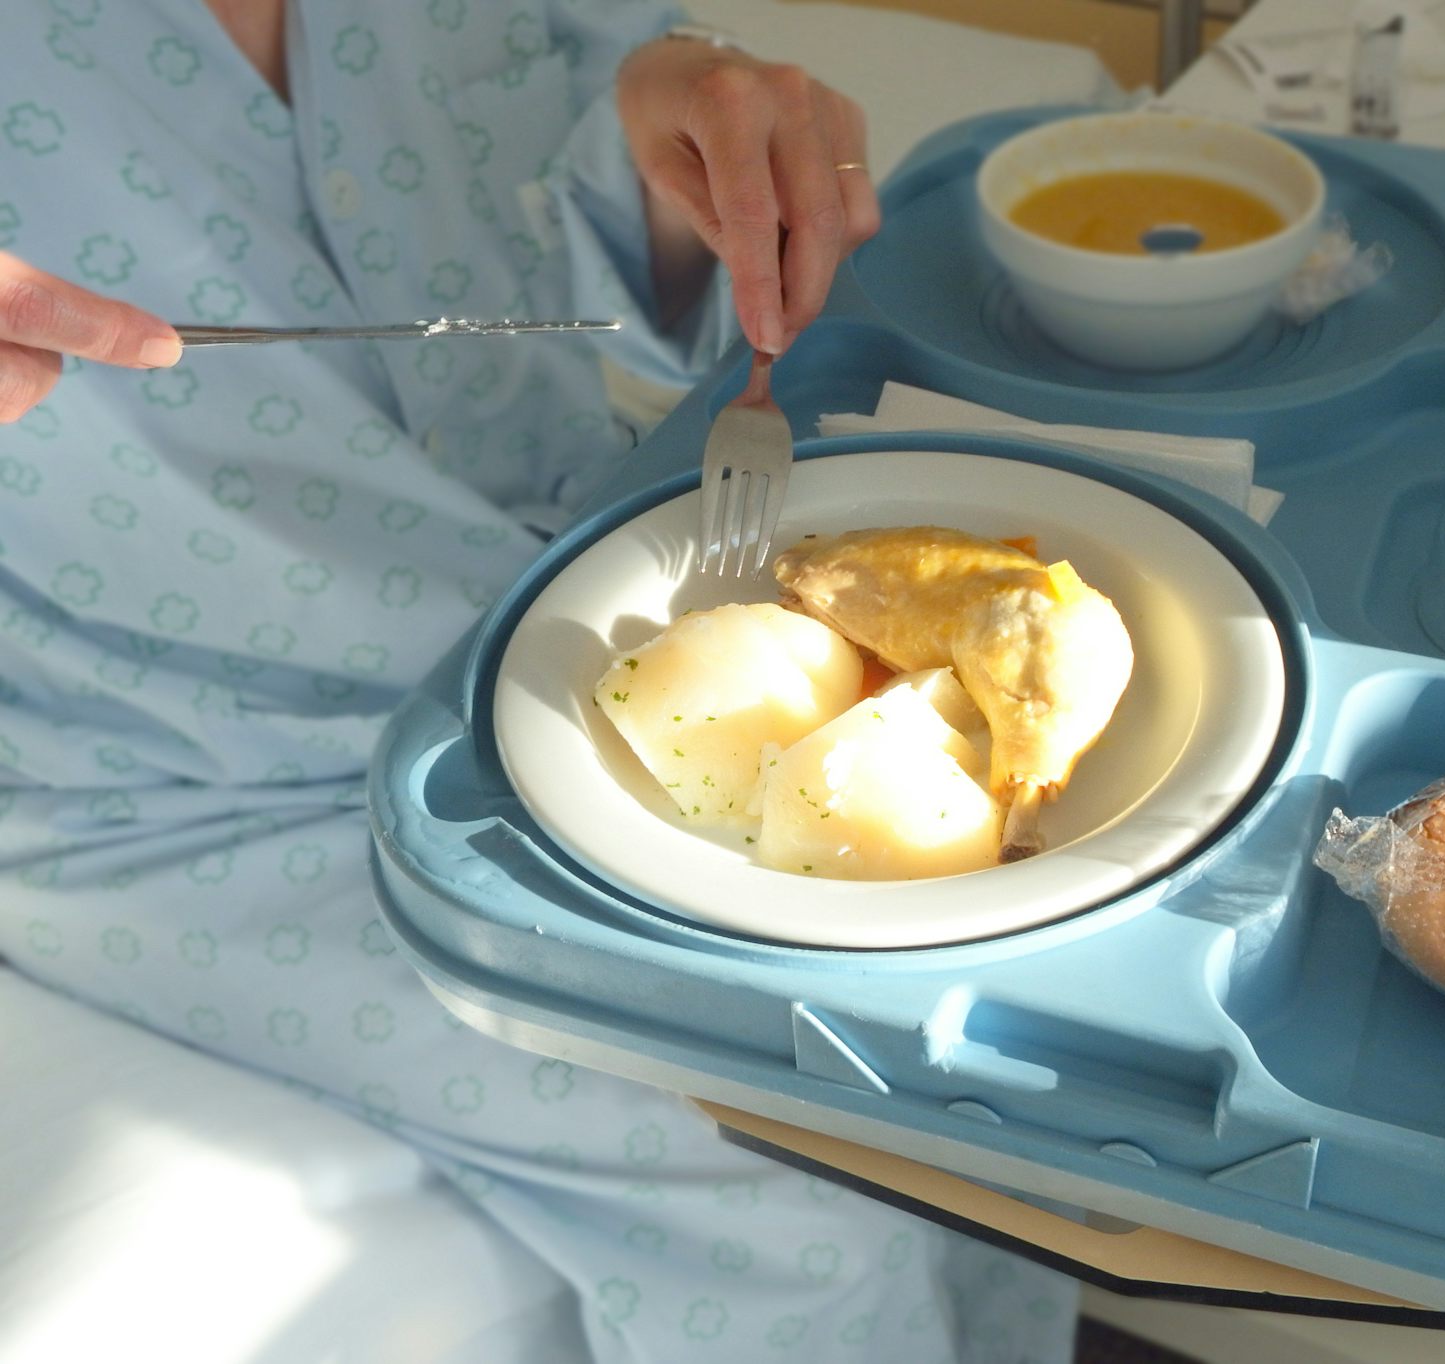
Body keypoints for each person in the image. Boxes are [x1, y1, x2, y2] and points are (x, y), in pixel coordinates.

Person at [0, 3, 1079, 1361]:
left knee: (976, 1029)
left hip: (570, 613)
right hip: (187, 782)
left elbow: (574, 186)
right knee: (806, 1192)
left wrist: (674, 146)